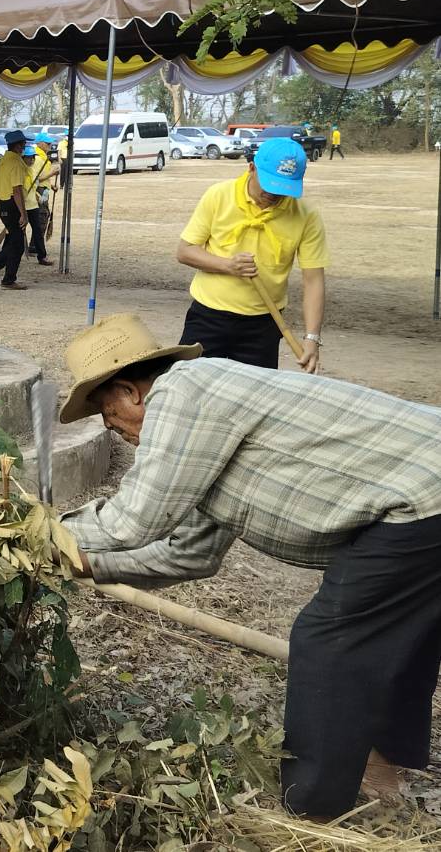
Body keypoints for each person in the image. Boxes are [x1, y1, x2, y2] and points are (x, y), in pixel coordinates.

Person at [56, 312, 441, 821]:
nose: (116, 432)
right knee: (396, 633)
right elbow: (187, 553)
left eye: (108, 416)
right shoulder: (201, 426)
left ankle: (313, 812)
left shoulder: (183, 392)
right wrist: (90, 566)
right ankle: (383, 770)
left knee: (331, 638)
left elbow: (131, 521)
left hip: (422, 495)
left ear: (131, 391)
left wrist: (42, 533)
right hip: (421, 498)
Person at [175, 137, 326, 372]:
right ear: (252, 168)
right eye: (269, 183)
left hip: (264, 325)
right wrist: (228, 266)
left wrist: (311, 338)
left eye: (282, 187)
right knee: (188, 388)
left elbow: (313, 280)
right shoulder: (219, 196)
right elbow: (185, 252)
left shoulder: (306, 215)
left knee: (251, 402)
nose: (274, 194)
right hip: (208, 318)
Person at [0, 128, 30, 291]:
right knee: (17, 244)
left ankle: (7, 277)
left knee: (12, 241)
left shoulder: (4, 159)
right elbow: (17, 189)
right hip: (12, 204)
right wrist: (23, 214)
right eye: (24, 143)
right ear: (18, 145)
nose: (25, 146)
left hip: (3, 204)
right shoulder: (16, 162)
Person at [25, 133, 56, 266]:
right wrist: (52, 173)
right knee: (41, 219)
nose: (50, 146)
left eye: (50, 144)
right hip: (38, 192)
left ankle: (34, 246)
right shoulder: (37, 158)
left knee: (40, 220)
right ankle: (35, 247)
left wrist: (51, 184)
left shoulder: (43, 157)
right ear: (40, 144)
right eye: (47, 143)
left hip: (44, 190)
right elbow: (36, 179)